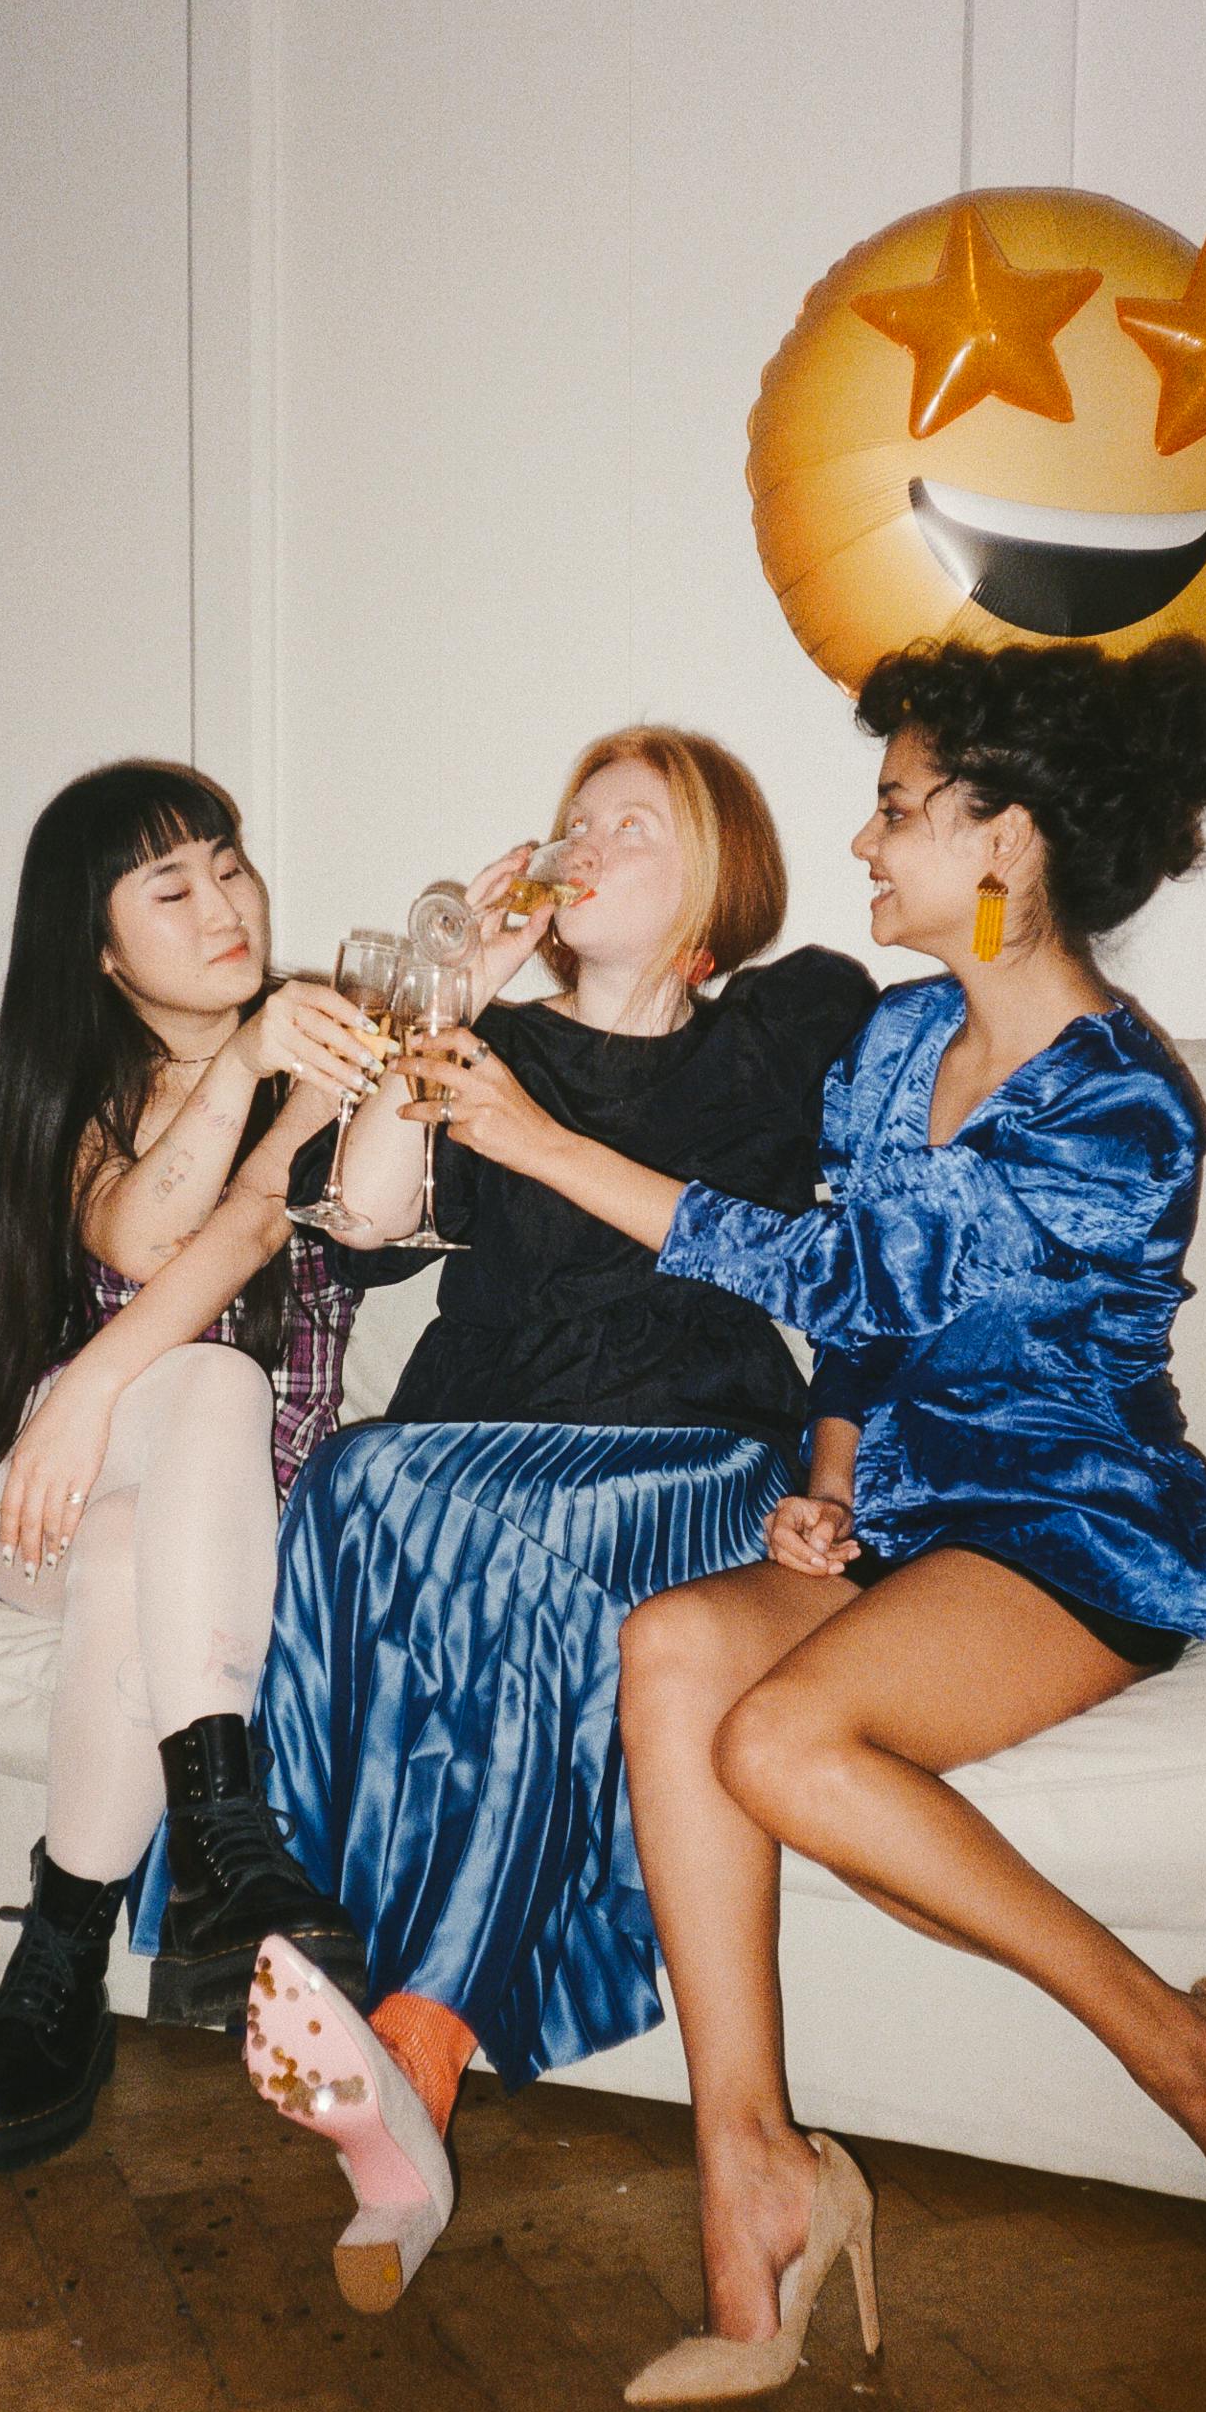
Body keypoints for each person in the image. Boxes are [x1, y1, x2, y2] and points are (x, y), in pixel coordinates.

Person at [404, 637, 1206, 2401]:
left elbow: (840, 1258)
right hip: (909, 1514)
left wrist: (540, 1143)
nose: (867, 842)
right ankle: (749, 2184)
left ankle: (1205, 2071)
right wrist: (828, 1491)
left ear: (1006, 844)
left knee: (779, 1738)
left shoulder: (1120, 1107)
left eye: (902, 808)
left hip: (1077, 1520)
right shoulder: (897, 1037)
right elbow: (855, 1331)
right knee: (673, 1644)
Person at [240, 728, 877, 2310]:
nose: (583, 841)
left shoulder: (788, 1028)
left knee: (533, 1564)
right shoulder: (487, 1038)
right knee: (355, 1478)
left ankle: (417, 2049)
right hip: (471, 1441)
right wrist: (450, 996)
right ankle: (340, 1975)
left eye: (633, 826)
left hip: (675, 1457)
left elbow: (855, 1271)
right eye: (570, 818)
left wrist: (833, 1483)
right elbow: (370, 1218)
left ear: (714, 880)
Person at [0, 759, 384, 2173]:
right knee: (198, 1382)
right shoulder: (69, 1086)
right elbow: (137, 1237)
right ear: (101, 944)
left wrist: (444, 980)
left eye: (230, 862)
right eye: (170, 885)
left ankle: (62, 1948)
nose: (224, 902)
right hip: (37, 1502)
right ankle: (225, 1831)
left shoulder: (322, 1045)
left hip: (203, 1530)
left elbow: (272, 1226)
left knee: (170, 1476)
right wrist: (77, 1405)